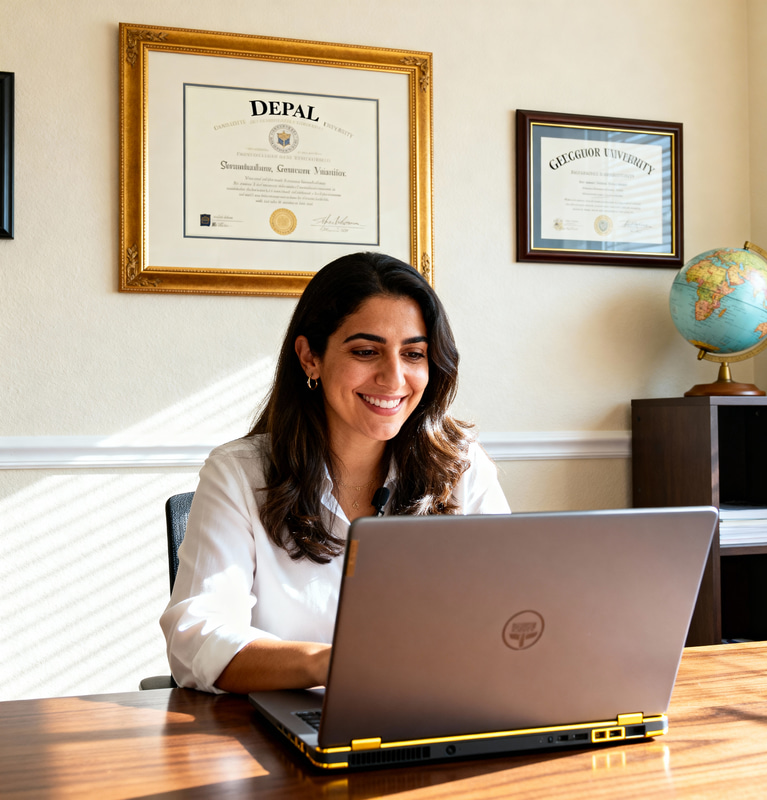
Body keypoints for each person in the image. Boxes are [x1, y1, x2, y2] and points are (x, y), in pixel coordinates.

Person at [160, 252, 510, 694]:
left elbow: (512, 607)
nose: (394, 377)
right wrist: (334, 663)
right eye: (366, 351)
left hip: (438, 711)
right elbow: (196, 637)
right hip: (285, 734)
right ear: (310, 357)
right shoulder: (239, 475)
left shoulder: (460, 466)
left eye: (414, 353)